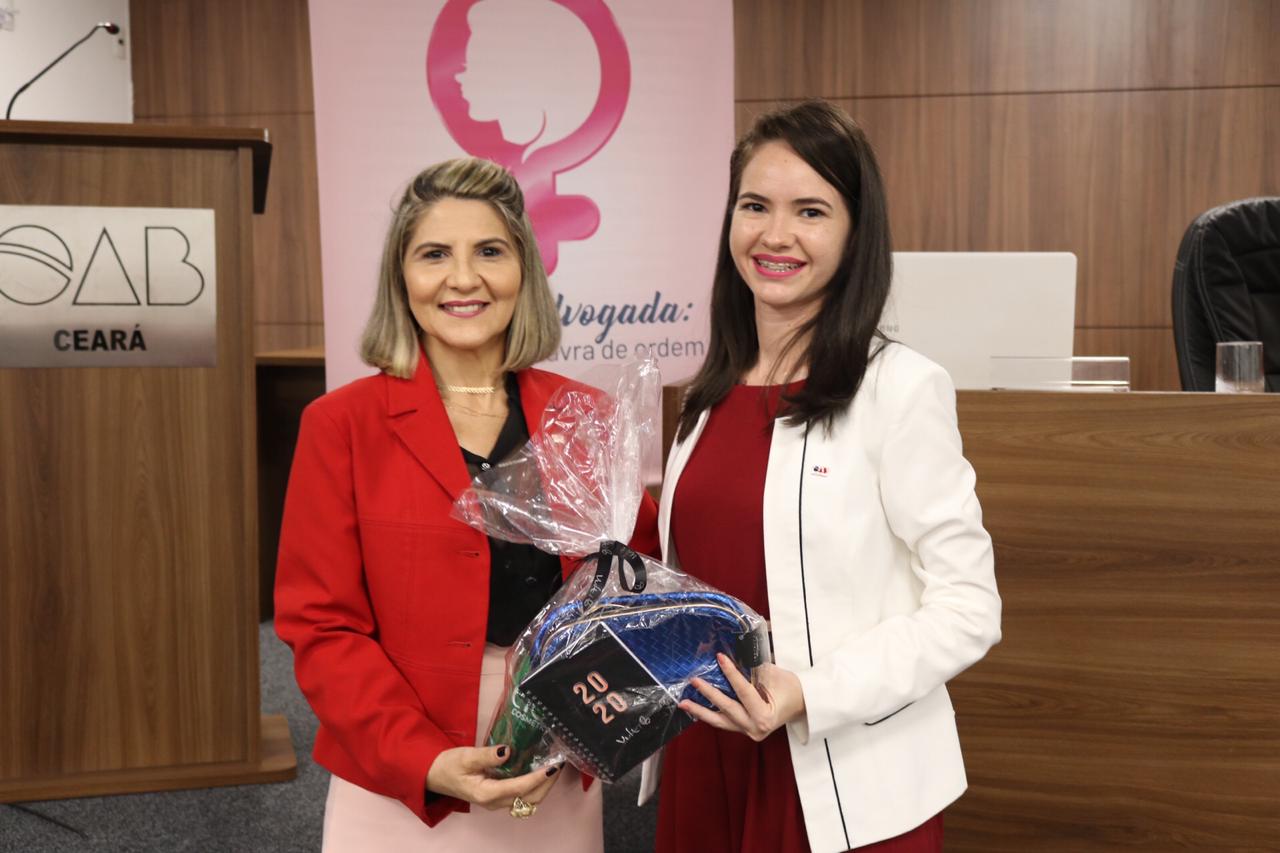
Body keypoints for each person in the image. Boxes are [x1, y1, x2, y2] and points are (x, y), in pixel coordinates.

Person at [274, 157, 658, 852]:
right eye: (434, 254)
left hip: (553, 755)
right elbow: (321, 625)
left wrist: (577, 726)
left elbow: (636, 589)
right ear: (401, 277)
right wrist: (424, 758)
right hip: (398, 767)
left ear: (523, 271)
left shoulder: (586, 418)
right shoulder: (341, 426)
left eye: (489, 251)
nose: (463, 278)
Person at [648, 101, 1002, 853]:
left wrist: (811, 691)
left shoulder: (899, 388)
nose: (775, 235)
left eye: (810, 211)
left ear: (854, 232)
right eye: (755, 206)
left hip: (842, 773)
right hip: (706, 757)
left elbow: (970, 607)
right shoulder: (705, 395)